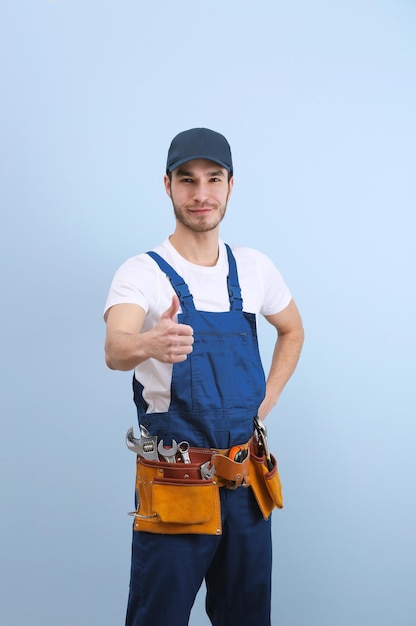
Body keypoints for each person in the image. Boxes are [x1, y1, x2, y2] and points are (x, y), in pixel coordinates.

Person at [104, 128, 304, 626]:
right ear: (168, 186)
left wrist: (269, 395)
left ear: (230, 186)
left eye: (213, 179)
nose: (201, 194)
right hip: (176, 483)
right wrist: (148, 343)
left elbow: (293, 330)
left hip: (245, 477)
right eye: (187, 180)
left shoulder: (254, 268)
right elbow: (115, 348)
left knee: (247, 616)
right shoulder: (142, 273)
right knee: (159, 616)